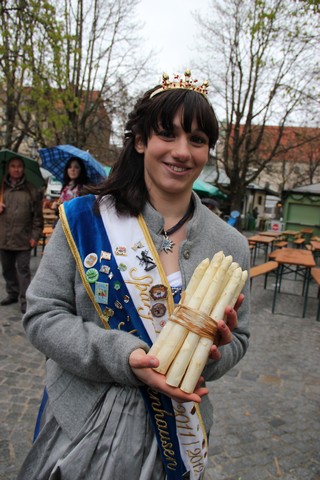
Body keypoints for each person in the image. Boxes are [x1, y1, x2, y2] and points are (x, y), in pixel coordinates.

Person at [18, 70, 250, 480]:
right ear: (141, 140)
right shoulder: (85, 218)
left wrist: (211, 356)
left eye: (197, 140)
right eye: (168, 134)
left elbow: (240, 339)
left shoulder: (230, 245)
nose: (182, 151)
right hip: (82, 421)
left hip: (175, 431)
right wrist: (122, 356)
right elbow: (41, 315)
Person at [0, 157, 43, 314]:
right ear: (8, 169)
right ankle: (12, 293)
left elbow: (38, 217)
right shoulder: (2, 189)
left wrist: (35, 236)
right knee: (7, 269)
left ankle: (25, 299)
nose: (16, 169)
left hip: (24, 239)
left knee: (23, 270)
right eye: (13, 166)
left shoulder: (31, 190)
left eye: (19, 166)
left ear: (23, 169)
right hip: (3, 238)